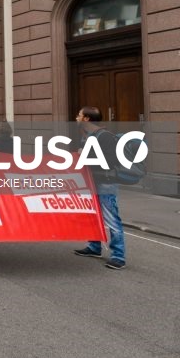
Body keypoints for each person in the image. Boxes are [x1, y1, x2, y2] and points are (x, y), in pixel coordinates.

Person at [73, 106, 126, 270]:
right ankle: (94, 247)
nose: (76, 117)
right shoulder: (89, 136)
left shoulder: (105, 137)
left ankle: (118, 256)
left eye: (79, 115)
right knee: (92, 216)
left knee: (111, 219)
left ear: (87, 118)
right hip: (92, 182)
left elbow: (110, 161)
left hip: (105, 182)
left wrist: (85, 157)